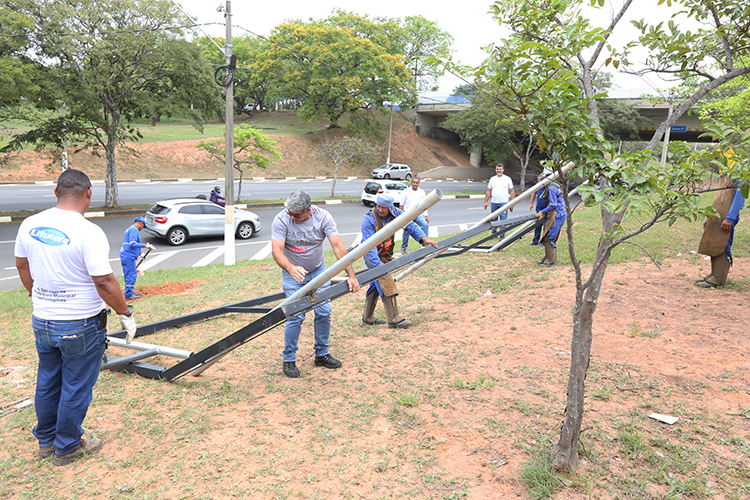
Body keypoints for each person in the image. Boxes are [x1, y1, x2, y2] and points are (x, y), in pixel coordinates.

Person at [14, 169, 137, 467]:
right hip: (80, 324)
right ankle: (67, 446)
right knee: (75, 385)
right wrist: (125, 313)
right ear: (89, 194)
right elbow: (105, 282)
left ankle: (46, 441)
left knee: (47, 380)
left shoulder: (29, 225)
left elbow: (22, 266)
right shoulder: (88, 231)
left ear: (56, 192)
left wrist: (38, 295)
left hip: (43, 320)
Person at [271, 190, 360, 378]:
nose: (292, 217)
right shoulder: (281, 219)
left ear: (308, 210)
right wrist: (290, 267)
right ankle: (289, 360)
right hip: (293, 274)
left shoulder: (323, 217)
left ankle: (321, 354)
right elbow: (277, 250)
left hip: (319, 271)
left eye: (297, 214)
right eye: (290, 214)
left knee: (324, 311)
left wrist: (350, 275)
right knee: (295, 315)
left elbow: (338, 247)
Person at [361, 194, 438, 328]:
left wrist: (424, 239)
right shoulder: (369, 219)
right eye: (378, 206)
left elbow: (410, 226)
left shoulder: (397, 213)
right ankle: (394, 318)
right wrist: (378, 265)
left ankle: (367, 317)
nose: (379, 210)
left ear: (390, 207)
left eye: (383, 208)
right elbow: (368, 246)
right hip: (371, 253)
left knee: (376, 282)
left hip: (385, 253)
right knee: (385, 279)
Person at [696, 177, 746, 288]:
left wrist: (730, 218)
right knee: (715, 240)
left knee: (723, 242)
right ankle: (714, 273)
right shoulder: (724, 174)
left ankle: (719, 278)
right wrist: (709, 217)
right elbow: (717, 198)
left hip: (728, 215)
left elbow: (740, 197)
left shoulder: (739, 175)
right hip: (719, 213)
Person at [119, 216, 155, 301]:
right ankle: (128, 295)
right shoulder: (134, 230)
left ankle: (130, 292)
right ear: (140, 223)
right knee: (131, 274)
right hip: (128, 256)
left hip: (126, 254)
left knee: (129, 274)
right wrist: (145, 245)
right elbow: (132, 243)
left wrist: (140, 253)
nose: (142, 228)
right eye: (143, 226)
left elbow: (129, 244)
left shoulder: (130, 229)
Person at [536, 181, 567, 266]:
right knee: (547, 236)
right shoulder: (555, 186)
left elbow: (553, 204)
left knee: (550, 237)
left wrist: (542, 211)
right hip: (558, 214)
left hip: (558, 215)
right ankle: (547, 257)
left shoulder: (551, 188)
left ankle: (551, 260)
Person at [483, 163, 515, 238]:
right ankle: (494, 234)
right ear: (495, 170)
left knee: (503, 220)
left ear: (503, 170)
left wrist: (513, 203)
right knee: (494, 219)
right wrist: (485, 202)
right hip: (494, 202)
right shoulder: (492, 179)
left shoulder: (507, 179)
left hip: (504, 202)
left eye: (500, 169)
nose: (499, 170)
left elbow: (511, 191)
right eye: (497, 169)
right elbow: (489, 191)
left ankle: (502, 235)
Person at [399, 176, 429, 255]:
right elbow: (401, 204)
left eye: (416, 183)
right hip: (408, 215)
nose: (415, 184)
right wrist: (401, 216)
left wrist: (426, 215)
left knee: (425, 225)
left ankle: (424, 245)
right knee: (406, 231)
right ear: (411, 183)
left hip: (419, 214)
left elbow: (425, 204)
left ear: (418, 183)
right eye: (413, 182)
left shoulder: (422, 192)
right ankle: (403, 248)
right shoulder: (406, 191)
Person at [528, 173, 549, 246]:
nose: (539, 182)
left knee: (545, 226)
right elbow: (534, 193)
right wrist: (531, 203)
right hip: (539, 208)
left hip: (546, 208)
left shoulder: (548, 186)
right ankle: (535, 241)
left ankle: (544, 242)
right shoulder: (538, 185)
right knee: (537, 225)